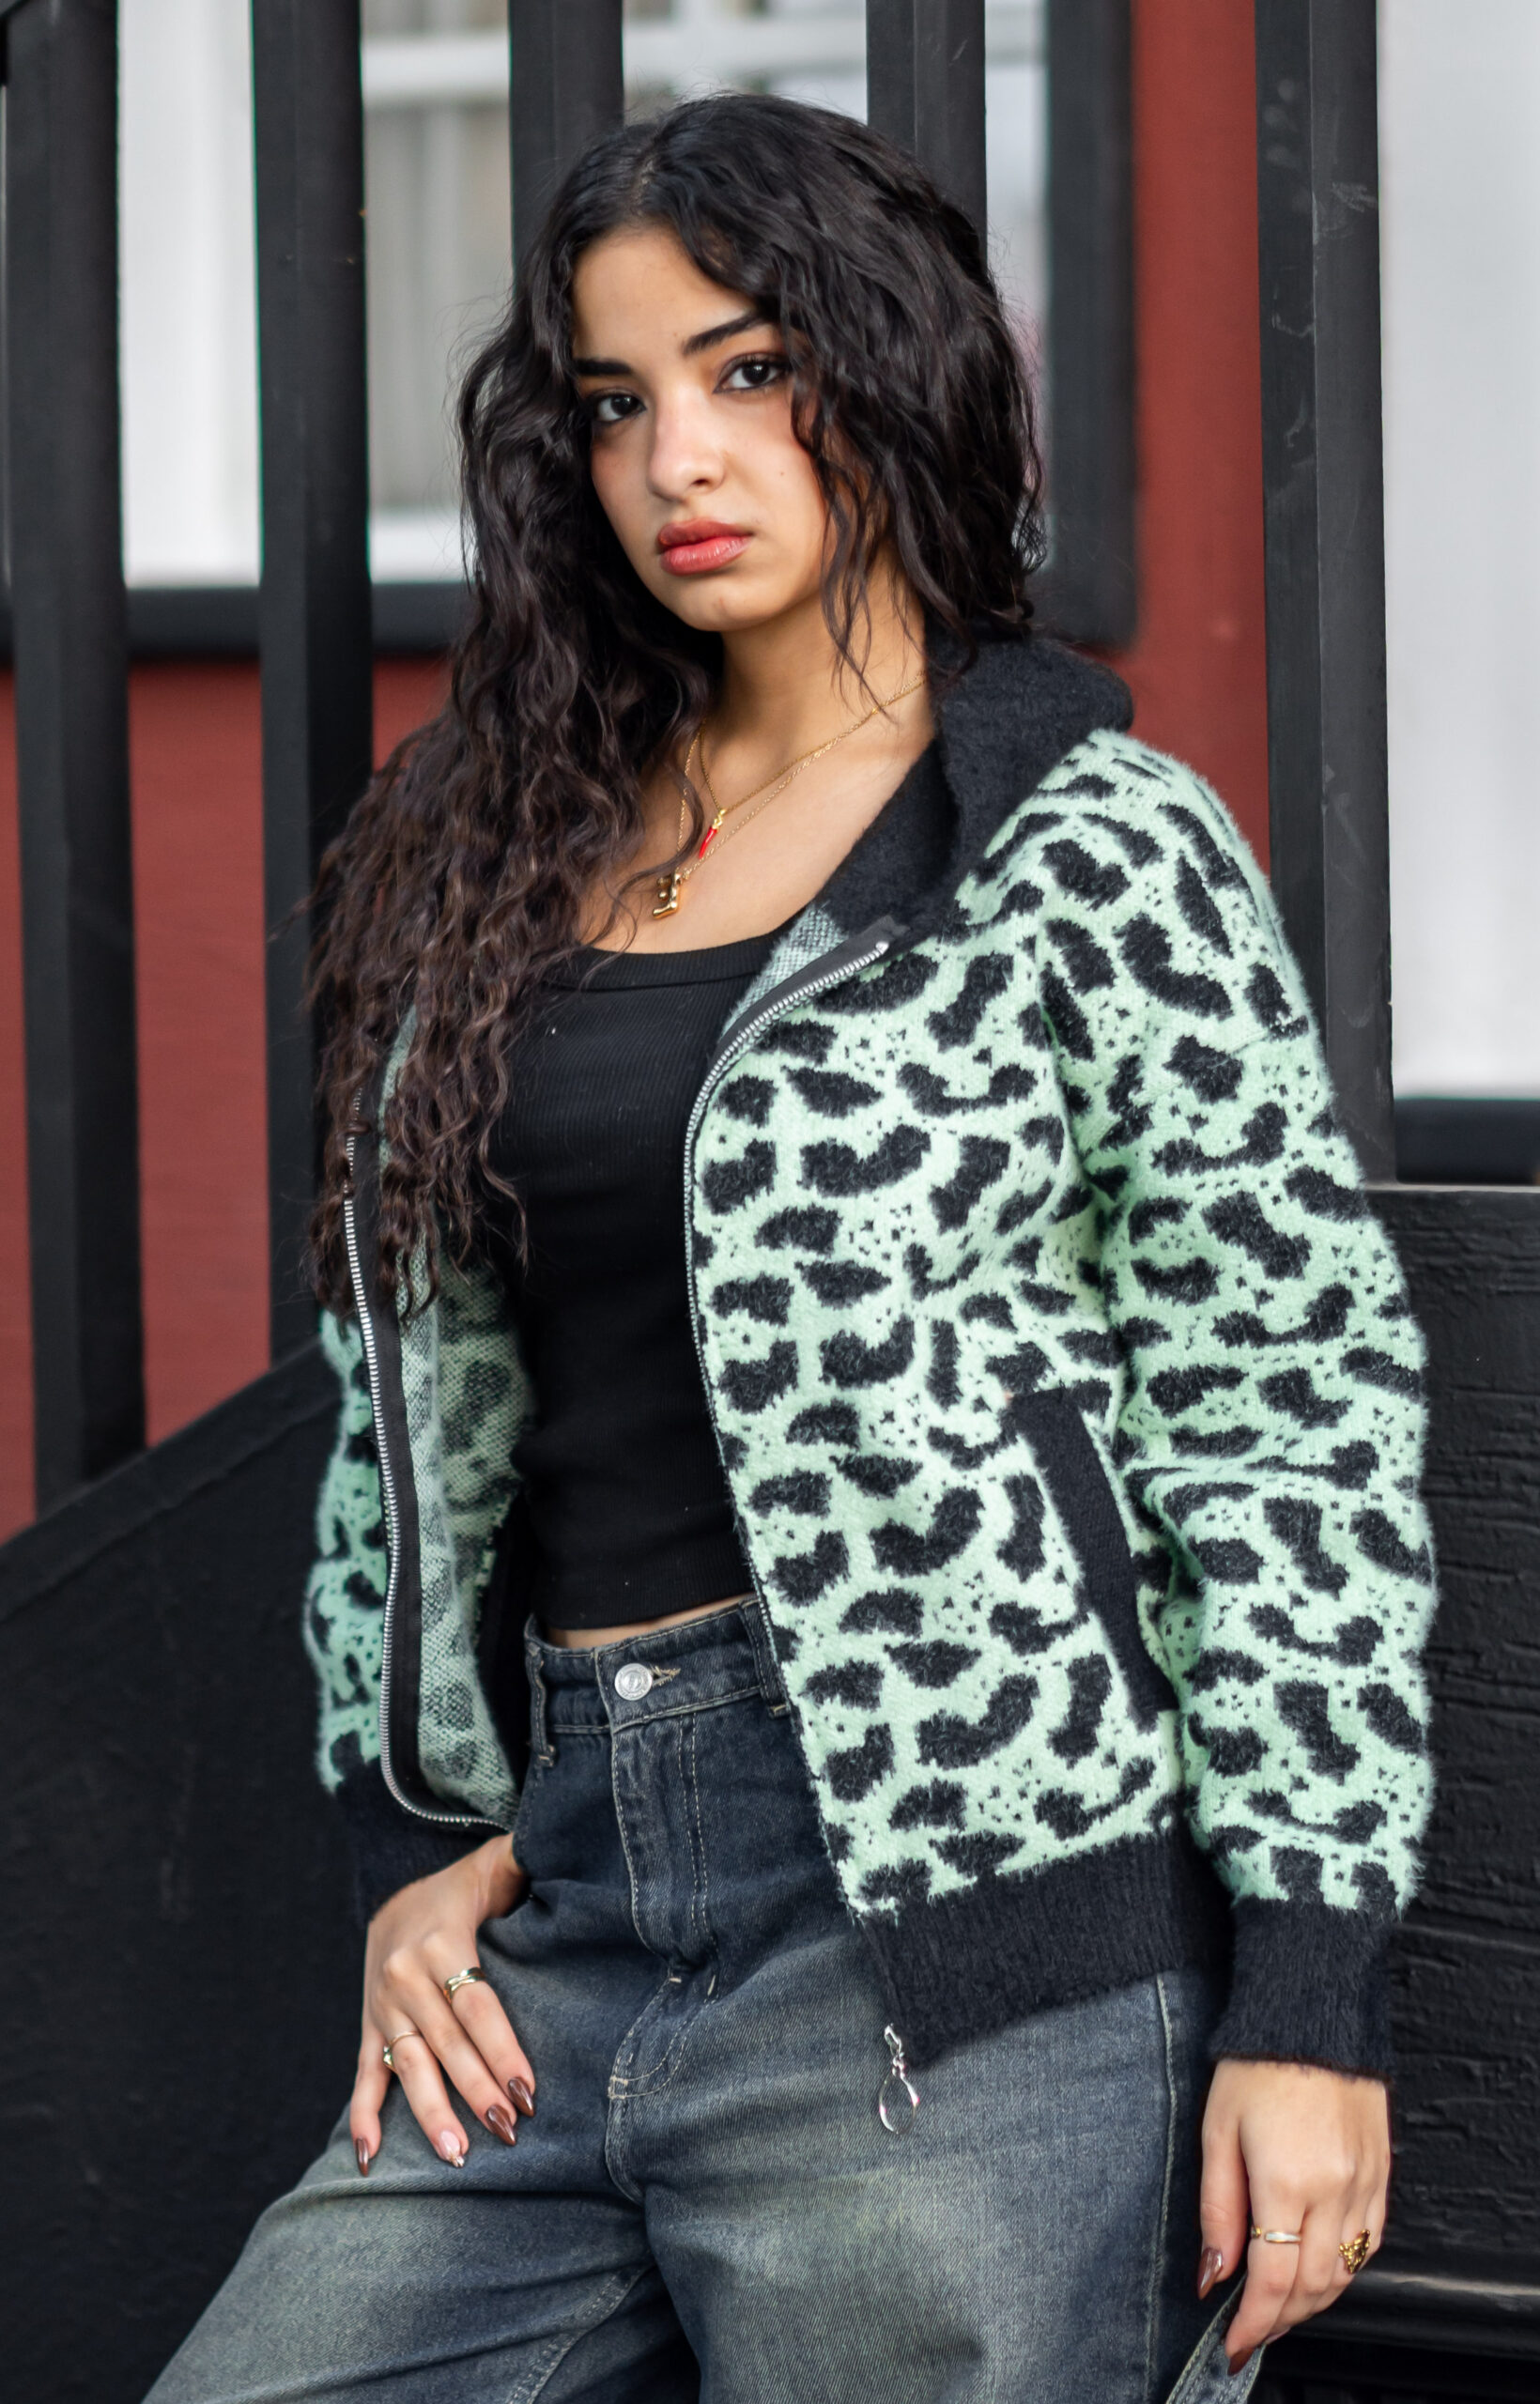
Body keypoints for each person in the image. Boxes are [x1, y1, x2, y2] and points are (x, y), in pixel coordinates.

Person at [147, 93, 1434, 2404]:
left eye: (749, 371)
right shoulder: (498, 846)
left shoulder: (1080, 843)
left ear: (888, 370)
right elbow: (399, 1412)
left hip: (960, 1948)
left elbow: (1287, 1406)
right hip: (561, 1908)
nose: (679, 460)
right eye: (615, 401)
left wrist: (1311, 1999)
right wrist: (417, 1838)